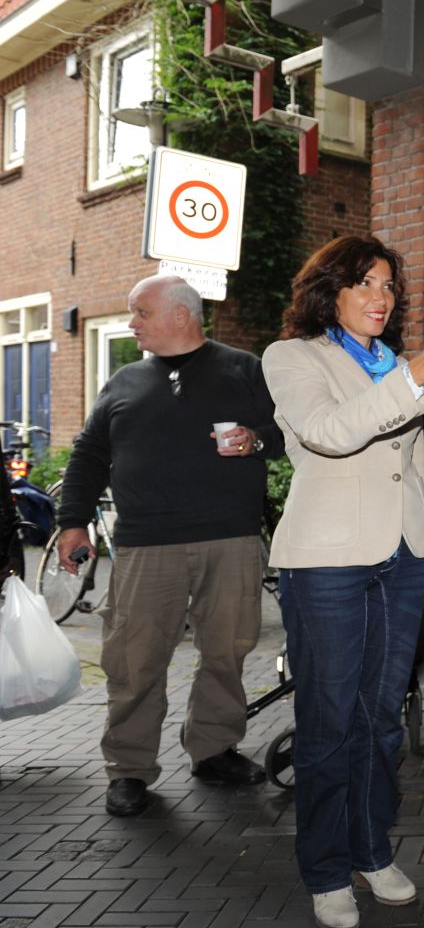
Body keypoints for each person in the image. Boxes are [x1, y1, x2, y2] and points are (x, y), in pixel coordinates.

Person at [261, 235, 424, 928]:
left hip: (402, 560)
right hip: (326, 563)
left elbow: (412, 471)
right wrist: (413, 380)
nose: (381, 297)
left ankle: (372, 849)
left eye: (388, 285)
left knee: (381, 720)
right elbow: (328, 432)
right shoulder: (292, 357)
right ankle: (326, 870)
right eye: (365, 284)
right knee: (329, 720)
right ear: (332, 291)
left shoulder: (392, 364)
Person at [54, 275, 284, 818]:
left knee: (227, 651)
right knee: (133, 659)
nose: (131, 323)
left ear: (181, 314)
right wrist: (72, 522)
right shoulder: (124, 381)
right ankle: (129, 769)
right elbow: (89, 454)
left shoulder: (244, 370)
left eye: (140, 312)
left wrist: (255, 440)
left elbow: (288, 434)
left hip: (230, 537)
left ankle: (214, 749)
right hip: (146, 544)